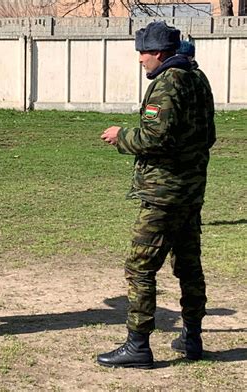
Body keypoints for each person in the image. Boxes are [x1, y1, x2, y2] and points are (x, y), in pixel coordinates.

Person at [98, 21, 216, 368]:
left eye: (143, 53)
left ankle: (138, 345)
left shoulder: (168, 83)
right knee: (189, 266)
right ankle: (192, 338)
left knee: (140, 268)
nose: (140, 60)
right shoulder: (198, 78)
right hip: (191, 192)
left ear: (159, 53)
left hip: (164, 194)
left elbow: (153, 137)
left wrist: (121, 135)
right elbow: (207, 135)